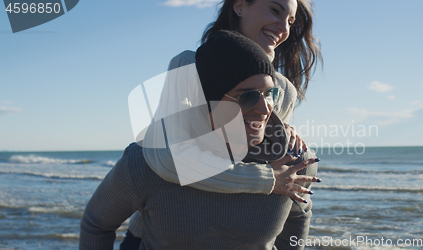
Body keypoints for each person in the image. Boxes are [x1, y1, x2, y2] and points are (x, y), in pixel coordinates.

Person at [80, 30, 319, 249]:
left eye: (270, 94)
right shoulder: (145, 161)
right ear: (207, 102)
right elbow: (96, 224)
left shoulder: (294, 160)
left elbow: (299, 216)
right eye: (247, 96)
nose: (264, 109)